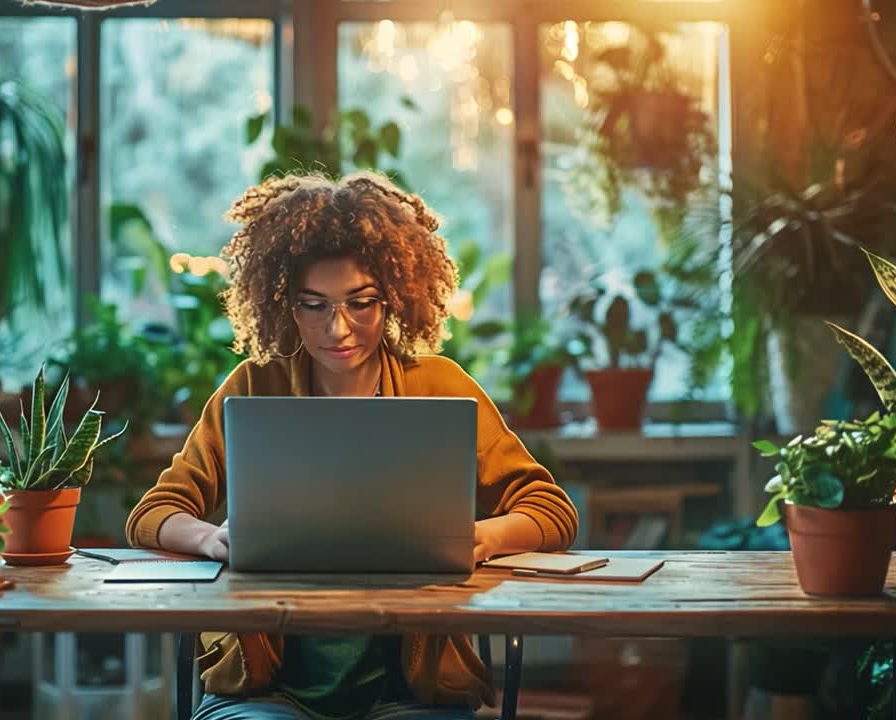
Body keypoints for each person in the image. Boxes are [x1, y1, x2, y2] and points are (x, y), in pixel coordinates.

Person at [125, 172, 579, 720]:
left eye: (360, 303)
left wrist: (479, 538)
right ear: (283, 304)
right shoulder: (253, 385)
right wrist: (212, 539)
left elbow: (552, 511)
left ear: (393, 299)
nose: (337, 328)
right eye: (312, 305)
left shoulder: (439, 386)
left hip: (413, 692)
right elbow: (154, 513)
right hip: (266, 691)